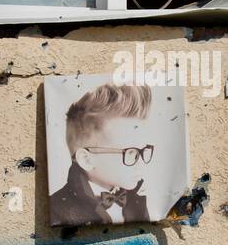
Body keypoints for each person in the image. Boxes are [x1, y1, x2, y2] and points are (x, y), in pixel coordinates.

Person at [49, 82, 155, 225]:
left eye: (143, 151)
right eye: (131, 153)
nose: (141, 163)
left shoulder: (135, 199)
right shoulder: (56, 212)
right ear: (86, 160)